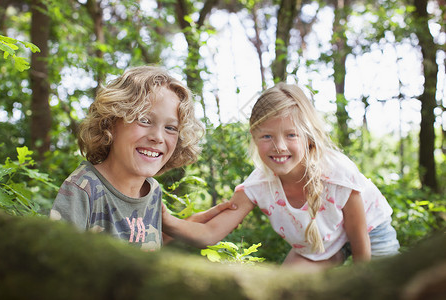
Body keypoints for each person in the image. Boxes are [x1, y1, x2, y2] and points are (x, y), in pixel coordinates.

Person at [163, 82, 400, 271]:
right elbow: (210, 233)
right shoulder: (259, 185)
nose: (279, 146)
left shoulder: (337, 173)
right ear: (254, 138)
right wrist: (167, 221)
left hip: (370, 231)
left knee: (384, 289)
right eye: (267, 136)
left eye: (291, 135)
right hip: (319, 244)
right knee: (283, 291)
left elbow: (360, 242)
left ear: (308, 137)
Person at [50, 66, 234, 251]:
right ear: (111, 122)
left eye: (170, 128)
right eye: (144, 120)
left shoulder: (152, 191)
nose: (158, 137)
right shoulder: (84, 188)